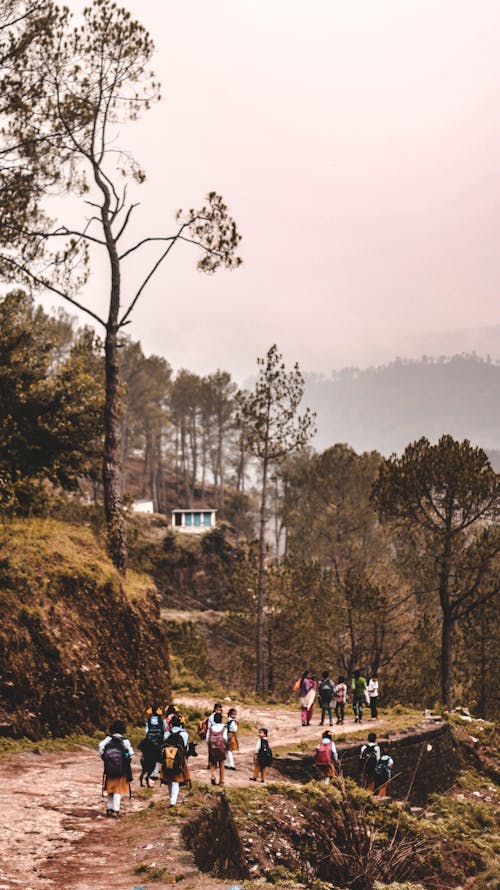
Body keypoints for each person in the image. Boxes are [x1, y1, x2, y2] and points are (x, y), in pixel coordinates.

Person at [99, 719, 133, 818]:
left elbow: (100, 746)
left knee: (110, 789)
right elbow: (131, 753)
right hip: (121, 769)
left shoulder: (108, 739)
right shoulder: (125, 741)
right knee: (118, 790)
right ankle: (116, 810)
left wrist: (104, 757)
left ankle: (109, 808)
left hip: (109, 768)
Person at [161, 714, 190, 807]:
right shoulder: (184, 734)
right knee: (176, 779)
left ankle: (171, 799)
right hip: (179, 759)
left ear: (171, 724)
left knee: (169, 779)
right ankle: (173, 801)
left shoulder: (166, 734)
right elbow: (186, 748)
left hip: (167, 758)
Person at [207, 711, 228, 786]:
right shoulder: (224, 728)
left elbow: (207, 739)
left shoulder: (210, 728)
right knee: (221, 764)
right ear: (221, 719)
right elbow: (225, 738)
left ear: (214, 720)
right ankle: (221, 781)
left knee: (213, 763)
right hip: (221, 748)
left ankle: (213, 776)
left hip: (212, 748)